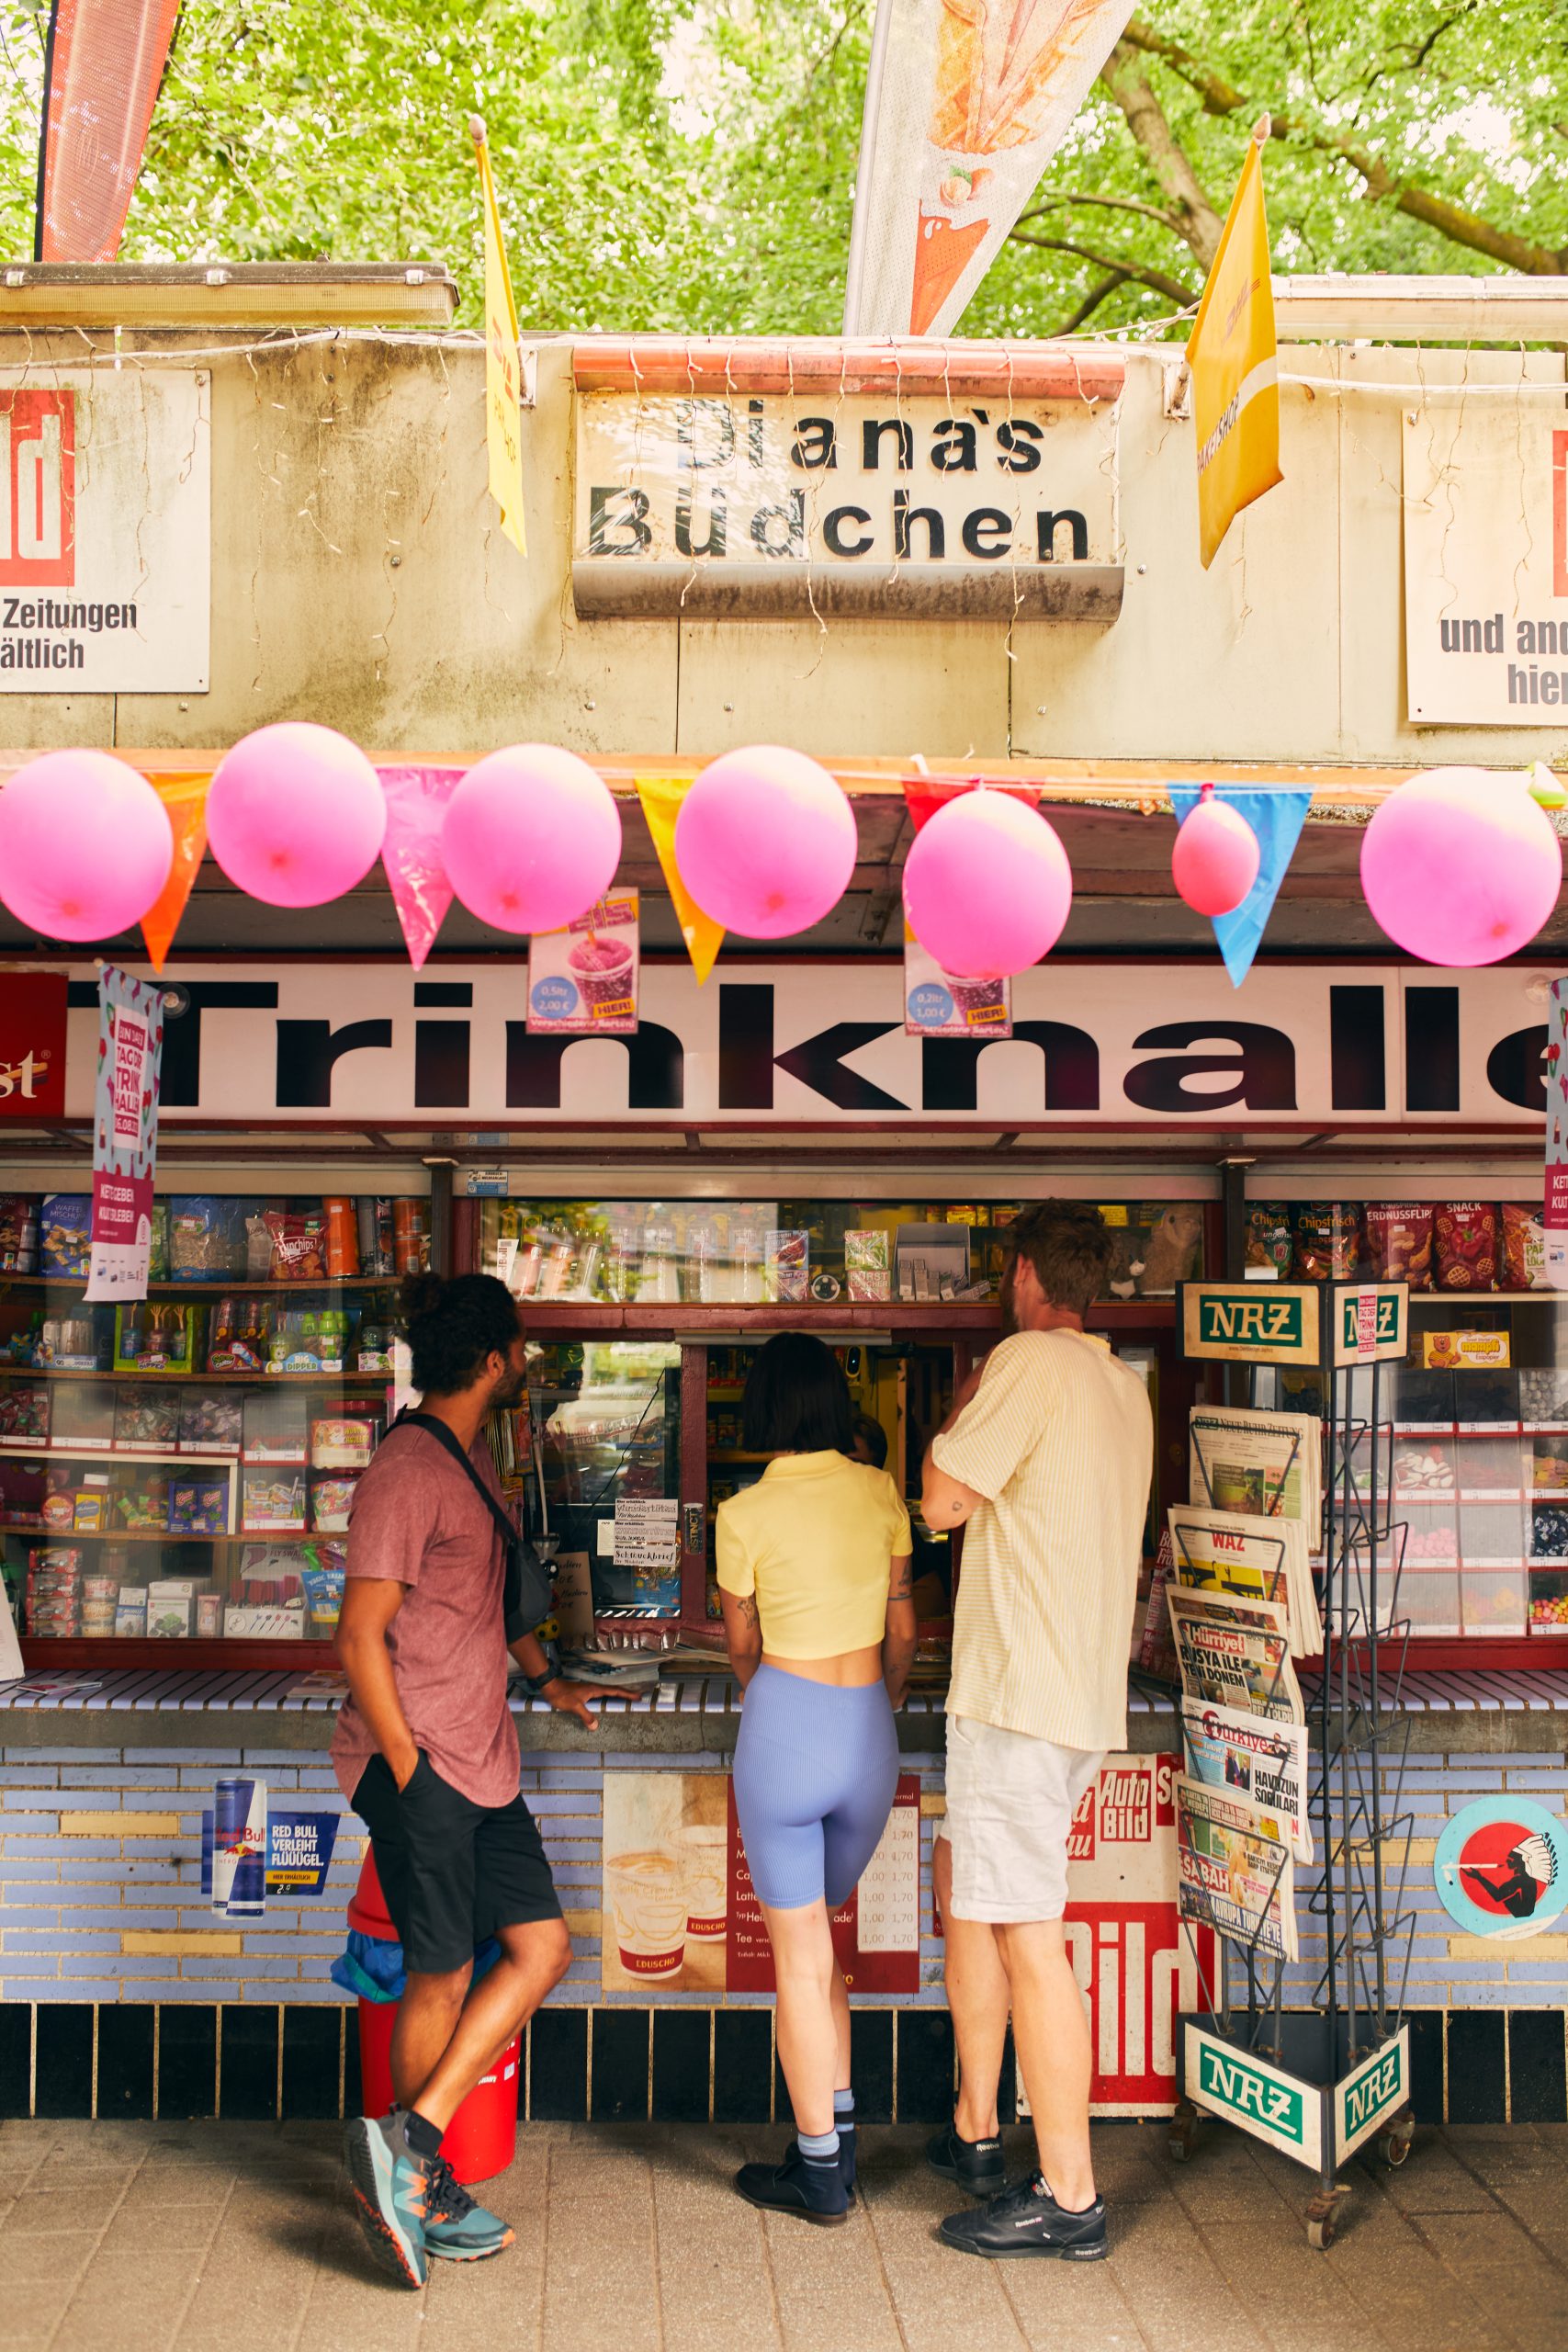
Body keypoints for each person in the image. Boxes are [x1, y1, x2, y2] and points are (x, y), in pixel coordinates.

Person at [333, 1272, 618, 2289]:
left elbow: (487, 1604)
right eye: (521, 1349)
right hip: (424, 1766)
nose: (527, 1364)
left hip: (482, 1761)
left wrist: (550, 1684)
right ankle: (422, 2180)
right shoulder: (408, 1467)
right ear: (492, 1358)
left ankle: (407, 2152)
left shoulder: (472, 1459)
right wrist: (410, 1771)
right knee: (442, 1972)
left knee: (541, 1948)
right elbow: (359, 1634)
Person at [920, 1203, 1152, 2263]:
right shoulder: (1121, 1383)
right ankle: (979, 2131)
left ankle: (1069, 2195)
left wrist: (955, 1409)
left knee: (1029, 1937)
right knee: (987, 1898)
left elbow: (943, 1501)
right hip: (1074, 1693)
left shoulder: (1028, 1360)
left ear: (1020, 1274)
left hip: (1019, 1696)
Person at [717, 1332, 916, 2223]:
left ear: (763, 1407)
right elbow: (904, 1629)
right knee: (824, 1947)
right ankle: (837, 2121)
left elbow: (741, 1647)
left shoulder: (743, 1512)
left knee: (797, 1960)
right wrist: (876, 1698)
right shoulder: (882, 1492)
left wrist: (778, 1704)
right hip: (870, 1734)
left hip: (787, 1733)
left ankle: (819, 2170)